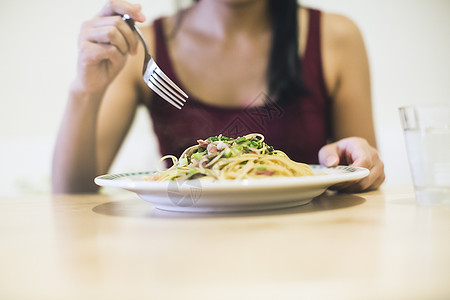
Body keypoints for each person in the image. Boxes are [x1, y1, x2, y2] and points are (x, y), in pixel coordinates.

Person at [52, 0, 385, 194]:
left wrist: (353, 162)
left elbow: (363, 179)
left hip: (309, 251)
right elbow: (73, 192)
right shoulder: (140, 48)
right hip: (185, 254)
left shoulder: (336, 37)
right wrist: (85, 90)